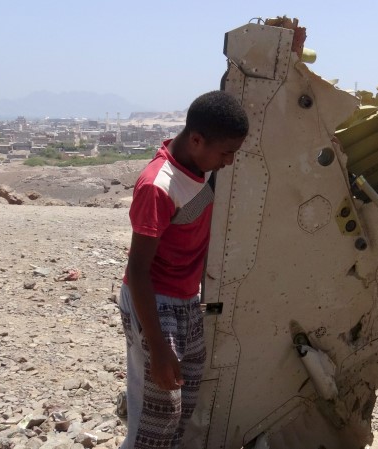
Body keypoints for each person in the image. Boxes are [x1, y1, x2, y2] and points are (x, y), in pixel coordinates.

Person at [118, 90, 249, 448]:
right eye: (226, 153)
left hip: (185, 301)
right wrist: (158, 347)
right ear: (195, 140)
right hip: (154, 303)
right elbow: (139, 270)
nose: (230, 162)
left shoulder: (199, 166)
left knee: (178, 415)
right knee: (153, 423)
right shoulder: (158, 187)